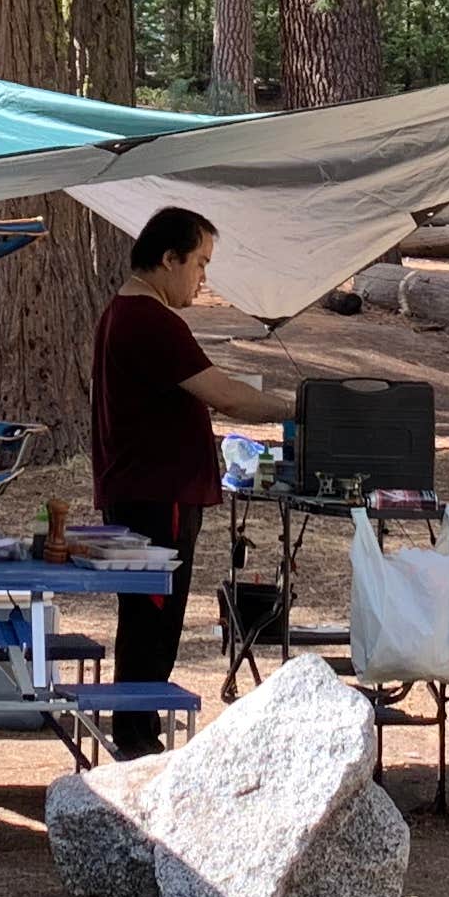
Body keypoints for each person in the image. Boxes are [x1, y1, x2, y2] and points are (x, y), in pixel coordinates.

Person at [88, 206, 289, 757]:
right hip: (159, 494)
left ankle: (135, 729)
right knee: (155, 617)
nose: (203, 277)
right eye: (199, 263)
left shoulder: (124, 313)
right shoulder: (151, 320)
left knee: (145, 616)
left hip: (143, 490)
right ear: (168, 258)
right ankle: (138, 737)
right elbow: (224, 394)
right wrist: (299, 410)